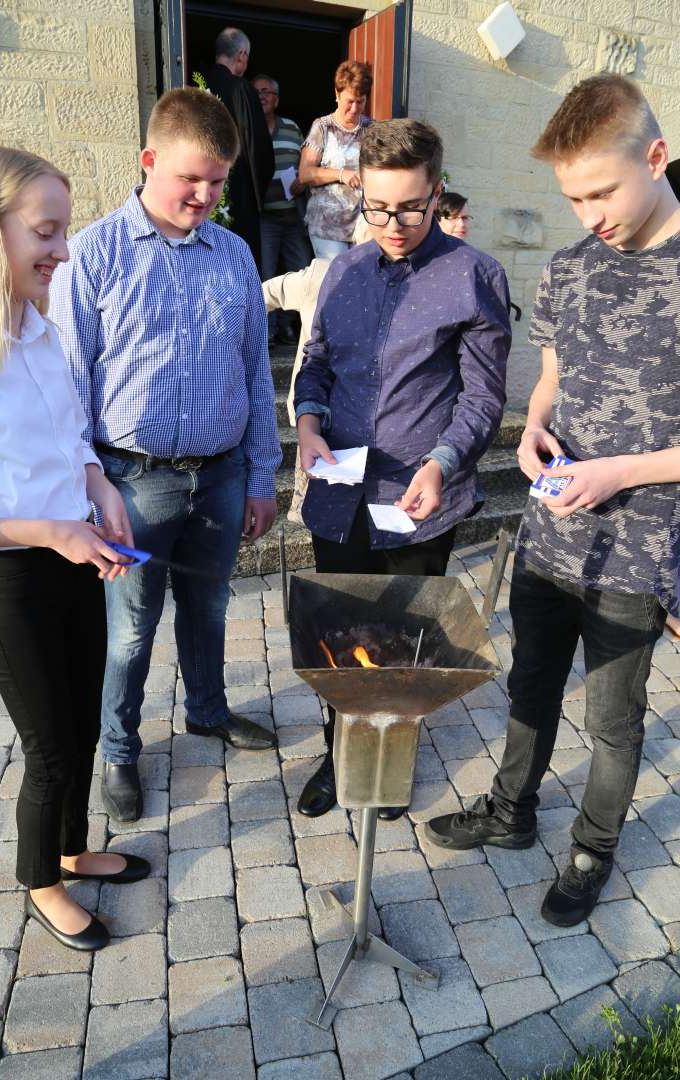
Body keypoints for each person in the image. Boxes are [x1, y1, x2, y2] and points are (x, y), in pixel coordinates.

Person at [426, 74, 680, 928]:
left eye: (602, 191)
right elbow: (551, 377)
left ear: (657, 155)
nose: (590, 215)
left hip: (640, 546)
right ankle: (510, 812)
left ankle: (593, 848)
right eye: (572, 197)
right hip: (550, 529)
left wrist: (620, 472)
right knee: (530, 685)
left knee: (612, 719)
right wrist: (530, 427)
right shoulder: (571, 266)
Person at [50, 88, 282, 826]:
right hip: (130, 482)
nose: (207, 195)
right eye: (192, 179)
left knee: (210, 610)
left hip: (218, 477)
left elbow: (254, 369)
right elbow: (65, 388)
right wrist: (83, 490)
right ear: (149, 160)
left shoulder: (235, 254)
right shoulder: (91, 255)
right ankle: (118, 748)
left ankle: (207, 712)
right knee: (130, 630)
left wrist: (261, 473)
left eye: (219, 181)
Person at [0, 146, 151, 952]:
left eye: (64, 230)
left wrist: (98, 486)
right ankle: (42, 879)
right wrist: (51, 529)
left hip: (74, 553)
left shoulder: (37, 327)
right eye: (46, 231)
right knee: (45, 744)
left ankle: (75, 847)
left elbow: (68, 434)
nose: (64, 251)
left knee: (78, 721)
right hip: (9, 576)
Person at [293, 118, 512, 819]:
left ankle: (388, 765)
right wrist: (306, 421)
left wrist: (444, 463)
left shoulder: (475, 278)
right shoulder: (347, 271)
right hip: (340, 491)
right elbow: (318, 360)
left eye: (411, 209)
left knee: (401, 645)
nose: (392, 224)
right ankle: (338, 757)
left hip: (420, 498)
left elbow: (482, 395)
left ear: (437, 191)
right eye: (377, 207)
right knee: (338, 639)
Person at [262, 217, 373, 523]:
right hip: (316, 407)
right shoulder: (322, 275)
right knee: (310, 501)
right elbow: (263, 294)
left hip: (364, 412)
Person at [205, 27, 274, 272]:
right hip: (238, 195)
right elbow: (259, 151)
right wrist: (258, 195)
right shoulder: (241, 89)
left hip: (200, 197)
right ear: (242, 55)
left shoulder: (194, 86)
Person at [252, 73, 311, 347]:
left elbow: (307, 163)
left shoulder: (291, 127)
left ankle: (292, 328)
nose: (262, 96)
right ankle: (269, 330)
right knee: (266, 273)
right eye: (257, 92)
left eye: (267, 92)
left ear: (276, 99)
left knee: (301, 271)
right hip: (265, 217)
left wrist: (302, 178)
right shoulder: (249, 127)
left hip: (292, 214)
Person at [299, 60, 373, 260]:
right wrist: (341, 174)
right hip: (327, 225)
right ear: (337, 94)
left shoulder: (371, 129)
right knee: (337, 282)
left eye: (361, 101)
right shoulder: (322, 127)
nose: (355, 108)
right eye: (350, 101)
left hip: (363, 223)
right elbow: (305, 173)